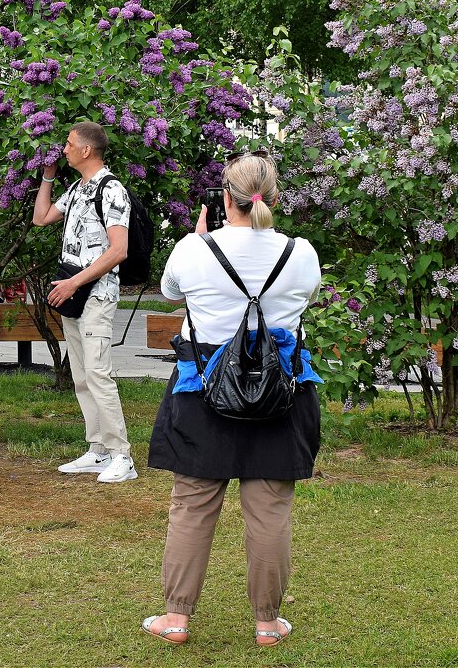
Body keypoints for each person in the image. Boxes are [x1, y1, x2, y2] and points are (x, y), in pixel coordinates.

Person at [141, 152, 322, 646]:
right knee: (270, 507)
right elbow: (305, 296)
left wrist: (200, 239)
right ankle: (267, 622)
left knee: (192, 503)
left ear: (225, 198)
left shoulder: (194, 250)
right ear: (274, 197)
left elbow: (171, 291)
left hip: (202, 388)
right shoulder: (301, 253)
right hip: (279, 391)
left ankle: (175, 617)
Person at [32, 121, 136, 483]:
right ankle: (97, 450)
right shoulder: (77, 188)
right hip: (74, 294)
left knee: (98, 373)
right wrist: (48, 177)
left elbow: (118, 250)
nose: (64, 149)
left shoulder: (111, 190)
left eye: (69, 143)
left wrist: (74, 283)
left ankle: (122, 455)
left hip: (95, 295)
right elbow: (41, 218)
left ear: (87, 150)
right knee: (81, 375)